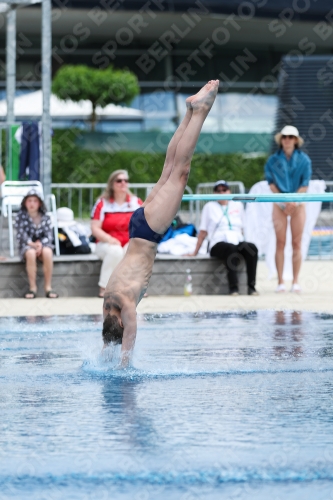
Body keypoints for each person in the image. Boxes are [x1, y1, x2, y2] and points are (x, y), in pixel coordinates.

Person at [102, 80, 219, 367]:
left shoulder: (125, 303)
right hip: (138, 226)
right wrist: (106, 351)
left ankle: (200, 111)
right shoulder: (107, 305)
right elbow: (110, 335)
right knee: (169, 168)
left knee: (180, 172)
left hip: (150, 232)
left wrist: (123, 364)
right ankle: (190, 112)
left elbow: (130, 333)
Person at [187, 180, 258, 295]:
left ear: (229, 191)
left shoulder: (237, 205)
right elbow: (203, 231)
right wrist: (195, 251)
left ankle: (252, 287)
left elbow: (243, 228)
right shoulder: (209, 207)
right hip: (218, 242)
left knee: (252, 248)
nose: (221, 193)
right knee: (230, 249)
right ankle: (233, 288)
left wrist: (246, 242)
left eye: (224, 190)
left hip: (236, 240)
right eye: (218, 190)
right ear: (214, 193)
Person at [264, 125, 312, 293]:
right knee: (280, 242)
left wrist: (294, 202)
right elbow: (271, 184)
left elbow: (305, 184)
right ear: (281, 140)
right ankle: (281, 282)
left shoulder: (304, 160)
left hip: (298, 203)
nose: (287, 139)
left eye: (291, 137)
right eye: (285, 137)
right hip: (280, 203)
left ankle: (296, 281)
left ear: (296, 140)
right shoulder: (272, 160)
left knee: (297, 243)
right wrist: (284, 202)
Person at [91, 170, 143, 298]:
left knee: (132, 251)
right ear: (112, 184)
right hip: (106, 243)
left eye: (126, 180)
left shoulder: (136, 202)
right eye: (119, 181)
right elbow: (94, 228)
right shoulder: (102, 203)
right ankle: (105, 287)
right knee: (115, 251)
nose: (123, 183)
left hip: (129, 241)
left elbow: (143, 225)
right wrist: (109, 238)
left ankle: (134, 288)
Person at [15, 189, 58, 298]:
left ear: (39, 203)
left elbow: (49, 236)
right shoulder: (20, 216)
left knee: (48, 252)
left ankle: (48, 287)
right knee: (30, 253)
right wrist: (33, 245)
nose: (32, 203)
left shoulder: (46, 216)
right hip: (27, 246)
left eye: (35, 201)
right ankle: (32, 288)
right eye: (29, 200)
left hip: (43, 245)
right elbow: (21, 235)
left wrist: (40, 245)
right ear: (25, 202)